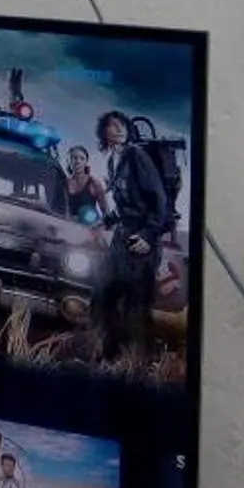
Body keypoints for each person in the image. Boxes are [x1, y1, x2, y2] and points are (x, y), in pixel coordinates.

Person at [97, 110, 173, 364]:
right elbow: (123, 203)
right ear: (104, 131)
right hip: (122, 237)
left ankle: (141, 363)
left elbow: (159, 201)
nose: (118, 129)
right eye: (112, 125)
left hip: (142, 239)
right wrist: (107, 220)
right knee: (105, 295)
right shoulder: (112, 161)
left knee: (137, 304)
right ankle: (110, 357)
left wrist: (148, 235)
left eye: (122, 125)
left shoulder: (136, 156)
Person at [64, 145, 106, 223]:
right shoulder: (64, 183)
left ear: (86, 162)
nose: (78, 161)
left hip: (91, 226)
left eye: (82, 158)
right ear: (69, 161)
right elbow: (65, 212)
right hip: (71, 226)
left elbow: (106, 212)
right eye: (74, 158)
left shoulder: (94, 183)